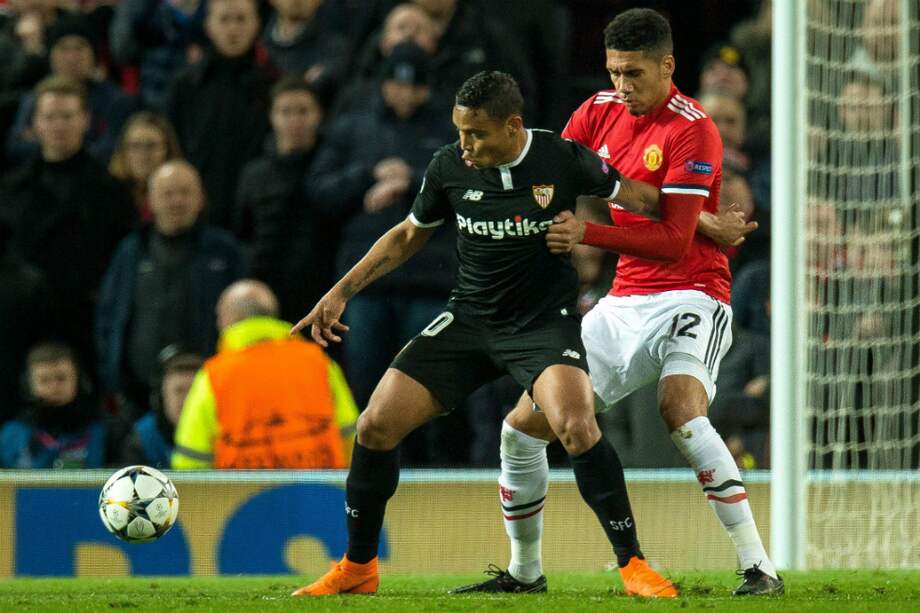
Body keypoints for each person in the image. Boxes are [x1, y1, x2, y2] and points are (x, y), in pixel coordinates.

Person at [290, 70, 677, 598]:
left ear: (513, 125)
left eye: (477, 134)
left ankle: (633, 566)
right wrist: (339, 292)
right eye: (460, 132)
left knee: (575, 424)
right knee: (375, 425)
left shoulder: (561, 159)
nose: (465, 146)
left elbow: (646, 201)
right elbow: (407, 235)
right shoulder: (448, 165)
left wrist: (685, 224)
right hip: (469, 319)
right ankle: (359, 567)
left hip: (542, 323)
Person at [462, 9, 782, 597]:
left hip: (693, 293)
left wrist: (590, 233)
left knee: (681, 412)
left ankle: (758, 567)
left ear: (667, 66)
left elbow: (673, 241)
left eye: (634, 74)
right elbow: (551, 172)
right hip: (624, 298)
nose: (623, 87)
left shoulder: (694, 129)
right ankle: (525, 574)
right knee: (521, 431)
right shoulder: (598, 110)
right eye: (614, 72)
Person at [0, 76, 136, 377]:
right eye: (49, 117)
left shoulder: (111, 191)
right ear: (34, 123)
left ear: (85, 120)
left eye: (67, 116)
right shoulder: (11, 189)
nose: (58, 125)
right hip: (21, 326)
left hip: (84, 323)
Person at [95, 160, 246, 420]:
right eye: (167, 193)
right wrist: (113, 374)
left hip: (215, 395)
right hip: (139, 400)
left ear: (200, 198)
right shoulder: (130, 251)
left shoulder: (225, 251)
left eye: (185, 192)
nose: (177, 201)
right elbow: (109, 317)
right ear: (150, 201)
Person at [172, 280, 358, 469]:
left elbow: (191, 459)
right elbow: (350, 434)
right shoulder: (319, 363)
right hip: (316, 492)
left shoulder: (214, 376)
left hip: (241, 496)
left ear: (228, 317)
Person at [165, 0, 276, 229]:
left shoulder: (272, 85)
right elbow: (173, 145)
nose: (233, 28)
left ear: (257, 24)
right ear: (209, 25)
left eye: (241, 19)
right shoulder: (185, 85)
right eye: (224, 19)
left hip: (254, 212)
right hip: (197, 212)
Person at [235, 77, 328, 323]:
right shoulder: (253, 174)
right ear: (272, 116)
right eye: (286, 112)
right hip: (267, 293)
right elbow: (242, 232)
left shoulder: (331, 169)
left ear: (319, 115)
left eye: (303, 111)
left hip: (323, 294)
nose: (295, 120)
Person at [6, 14, 136, 163]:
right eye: (63, 48)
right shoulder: (34, 98)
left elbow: (111, 150)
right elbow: (15, 146)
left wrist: (48, 141)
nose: (71, 57)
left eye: (79, 48)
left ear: (93, 55)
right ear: (51, 55)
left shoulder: (117, 101)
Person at [0, 341, 107, 468]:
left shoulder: (104, 430)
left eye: (61, 378)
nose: (54, 387)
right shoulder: (13, 433)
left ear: (80, 382)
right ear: (28, 386)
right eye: (44, 380)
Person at [119, 346, 203, 468]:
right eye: (179, 391)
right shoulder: (142, 438)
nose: (187, 400)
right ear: (161, 396)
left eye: (194, 391)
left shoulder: (223, 435)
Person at [108, 111, 184, 222]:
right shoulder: (108, 195)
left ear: (167, 150)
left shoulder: (181, 196)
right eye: (135, 146)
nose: (143, 154)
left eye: (151, 146)